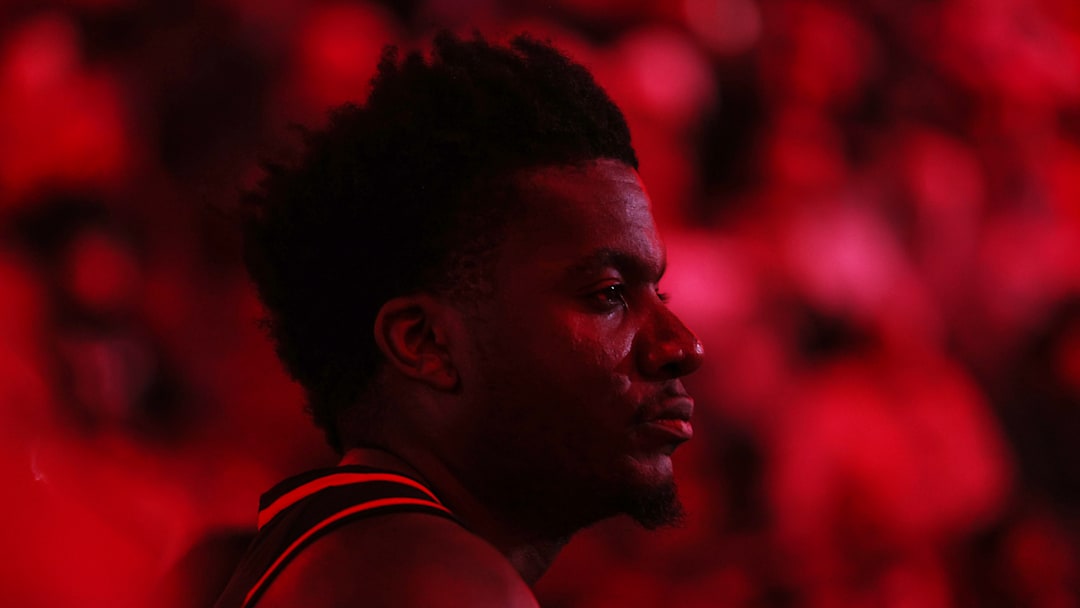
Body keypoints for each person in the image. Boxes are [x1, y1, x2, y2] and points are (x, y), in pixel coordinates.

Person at [214, 31, 705, 608]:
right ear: (426, 343)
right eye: (611, 293)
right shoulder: (433, 586)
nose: (683, 345)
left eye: (661, 294)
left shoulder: (320, 554)